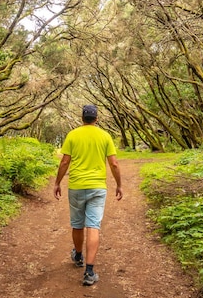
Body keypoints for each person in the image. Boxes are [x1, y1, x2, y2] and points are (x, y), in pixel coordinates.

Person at [53, 104, 123, 286]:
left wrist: (57, 183)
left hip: (76, 186)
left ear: (82, 118)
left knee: (77, 224)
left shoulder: (73, 135)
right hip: (98, 187)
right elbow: (114, 164)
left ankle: (78, 256)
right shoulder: (105, 136)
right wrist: (119, 185)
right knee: (93, 226)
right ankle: (89, 272)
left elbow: (64, 162)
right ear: (96, 118)